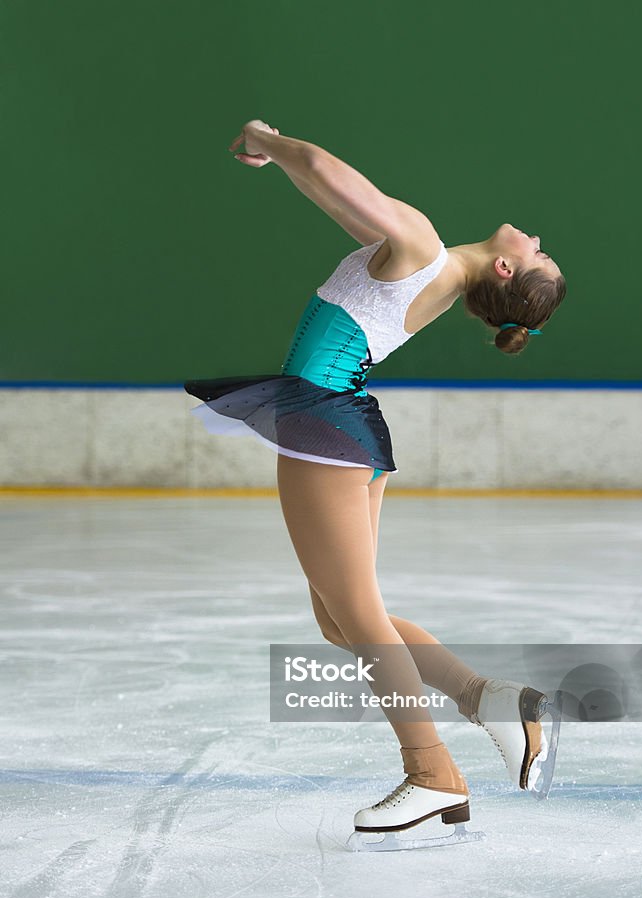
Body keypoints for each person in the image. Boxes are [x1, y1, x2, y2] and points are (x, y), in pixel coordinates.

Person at [185, 119, 567, 850]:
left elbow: (329, 172)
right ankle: (493, 702)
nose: (536, 236)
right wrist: (285, 160)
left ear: (508, 272)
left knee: (357, 618)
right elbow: (335, 196)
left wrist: (268, 138)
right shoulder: (425, 261)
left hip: (326, 423)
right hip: (342, 424)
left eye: (539, 253)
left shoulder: (422, 247)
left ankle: (430, 773)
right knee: (344, 620)